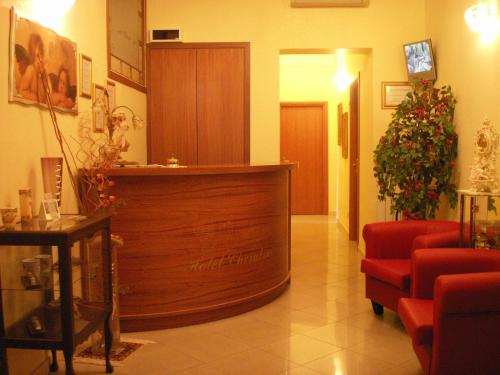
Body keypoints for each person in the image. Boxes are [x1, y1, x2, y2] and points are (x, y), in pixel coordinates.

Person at [18, 33, 46, 102]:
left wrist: (41, 76)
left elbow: (45, 97)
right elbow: (21, 91)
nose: (40, 59)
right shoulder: (30, 69)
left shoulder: (44, 72)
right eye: (37, 56)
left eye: (41, 54)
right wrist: (34, 97)